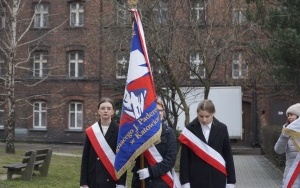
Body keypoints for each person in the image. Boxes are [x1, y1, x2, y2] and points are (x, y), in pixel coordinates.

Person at [179, 99, 236, 188]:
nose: (204, 120)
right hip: (196, 180)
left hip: (217, 178)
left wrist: (231, 181)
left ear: (213, 113)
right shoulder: (189, 129)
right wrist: (185, 182)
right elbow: (185, 158)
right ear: (197, 113)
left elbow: (228, 155)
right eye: (201, 116)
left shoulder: (222, 128)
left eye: (207, 116)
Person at [131, 98, 179, 188]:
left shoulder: (169, 132)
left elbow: (170, 160)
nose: (159, 113)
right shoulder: (139, 132)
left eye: (161, 110)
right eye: (156, 111)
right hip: (141, 182)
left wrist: (150, 171)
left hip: (161, 182)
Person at [80, 97, 126, 188]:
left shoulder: (119, 131)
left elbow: (122, 159)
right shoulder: (91, 131)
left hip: (112, 179)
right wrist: (84, 183)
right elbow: (85, 158)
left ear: (113, 111)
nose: (105, 111)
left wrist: (121, 183)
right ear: (98, 111)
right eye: (103, 108)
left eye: (109, 109)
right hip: (93, 178)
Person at [274, 103, 300, 187]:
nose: (289, 117)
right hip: (292, 173)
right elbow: (279, 150)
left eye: (292, 114)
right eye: (288, 115)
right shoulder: (286, 131)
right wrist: (284, 136)